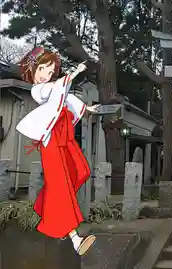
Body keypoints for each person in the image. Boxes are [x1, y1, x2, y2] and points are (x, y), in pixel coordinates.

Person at [15, 47, 101, 256]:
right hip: (51, 140)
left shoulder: (53, 87)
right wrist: (75, 73)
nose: (46, 74)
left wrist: (86, 109)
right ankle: (75, 238)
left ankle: (45, 206)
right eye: (43, 69)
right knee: (61, 186)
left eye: (50, 70)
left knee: (81, 171)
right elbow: (56, 90)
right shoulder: (38, 90)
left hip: (65, 136)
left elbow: (65, 97)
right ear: (33, 70)